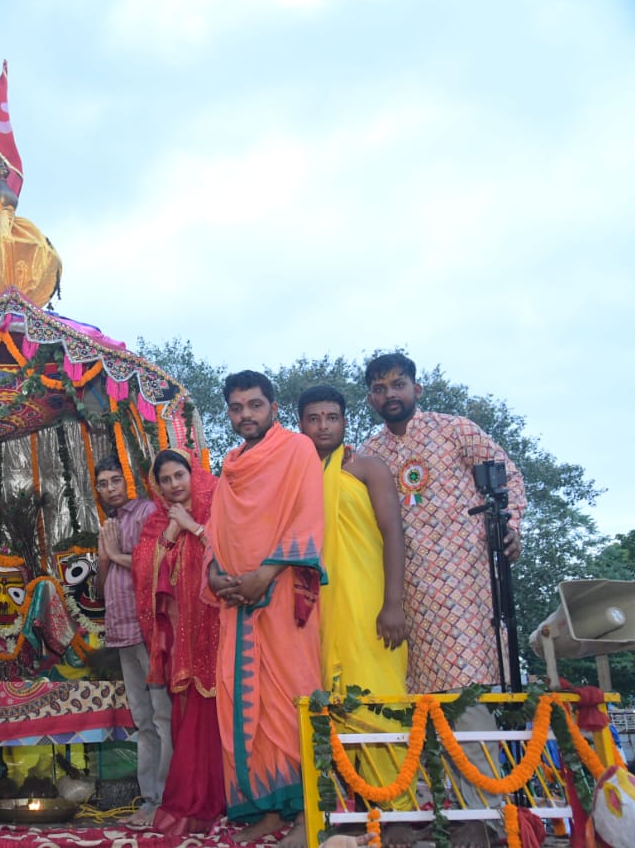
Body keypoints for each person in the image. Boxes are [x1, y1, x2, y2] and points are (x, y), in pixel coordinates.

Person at [359, 353, 528, 846]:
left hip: (463, 592)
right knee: (413, 711)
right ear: (370, 398)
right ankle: (427, 816)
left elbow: (508, 479)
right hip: (397, 599)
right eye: (379, 388)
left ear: (417, 388)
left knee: (467, 703)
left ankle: (485, 819)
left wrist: (511, 528)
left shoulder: (455, 430)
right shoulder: (368, 453)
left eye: (398, 384)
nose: (390, 394)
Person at [205, 371, 324, 847]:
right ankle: (271, 812)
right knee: (243, 704)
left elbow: (307, 515)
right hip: (236, 603)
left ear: (273, 408)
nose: (246, 415)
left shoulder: (297, 449)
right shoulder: (231, 464)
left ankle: (310, 816)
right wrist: (216, 575)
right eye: (236, 408)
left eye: (254, 405)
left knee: (293, 700)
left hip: (282, 595)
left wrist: (265, 574)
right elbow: (216, 528)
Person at [299, 386, 414, 840]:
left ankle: (398, 813)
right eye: (313, 418)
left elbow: (393, 534)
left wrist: (393, 603)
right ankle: (349, 817)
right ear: (301, 425)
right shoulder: (297, 474)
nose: (323, 426)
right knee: (331, 706)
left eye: (332, 417)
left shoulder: (367, 467)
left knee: (380, 702)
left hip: (369, 605)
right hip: (319, 608)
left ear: (345, 422)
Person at [130, 450, 222, 833]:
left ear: (192, 473)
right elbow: (146, 575)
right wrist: (171, 532)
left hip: (222, 632)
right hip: (185, 640)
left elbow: (235, 552)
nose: (173, 485)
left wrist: (193, 527)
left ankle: (235, 799)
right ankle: (198, 795)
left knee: (226, 714)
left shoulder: (218, 504)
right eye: (165, 480)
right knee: (188, 718)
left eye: (179, 475)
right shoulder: (157, 522)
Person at [92, 456, 171, 828]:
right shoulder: (111, 521)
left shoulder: (145, 512)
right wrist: (104, 557)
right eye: (103, 483)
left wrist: (114, 554)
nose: (110, 489)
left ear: (129, 481)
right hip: (122, 630)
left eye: (115, 480)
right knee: (143, 720)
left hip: (148, 629)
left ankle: (166, 800)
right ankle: (151, 799)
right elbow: (100, 587)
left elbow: (154, 565)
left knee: (161, 716)